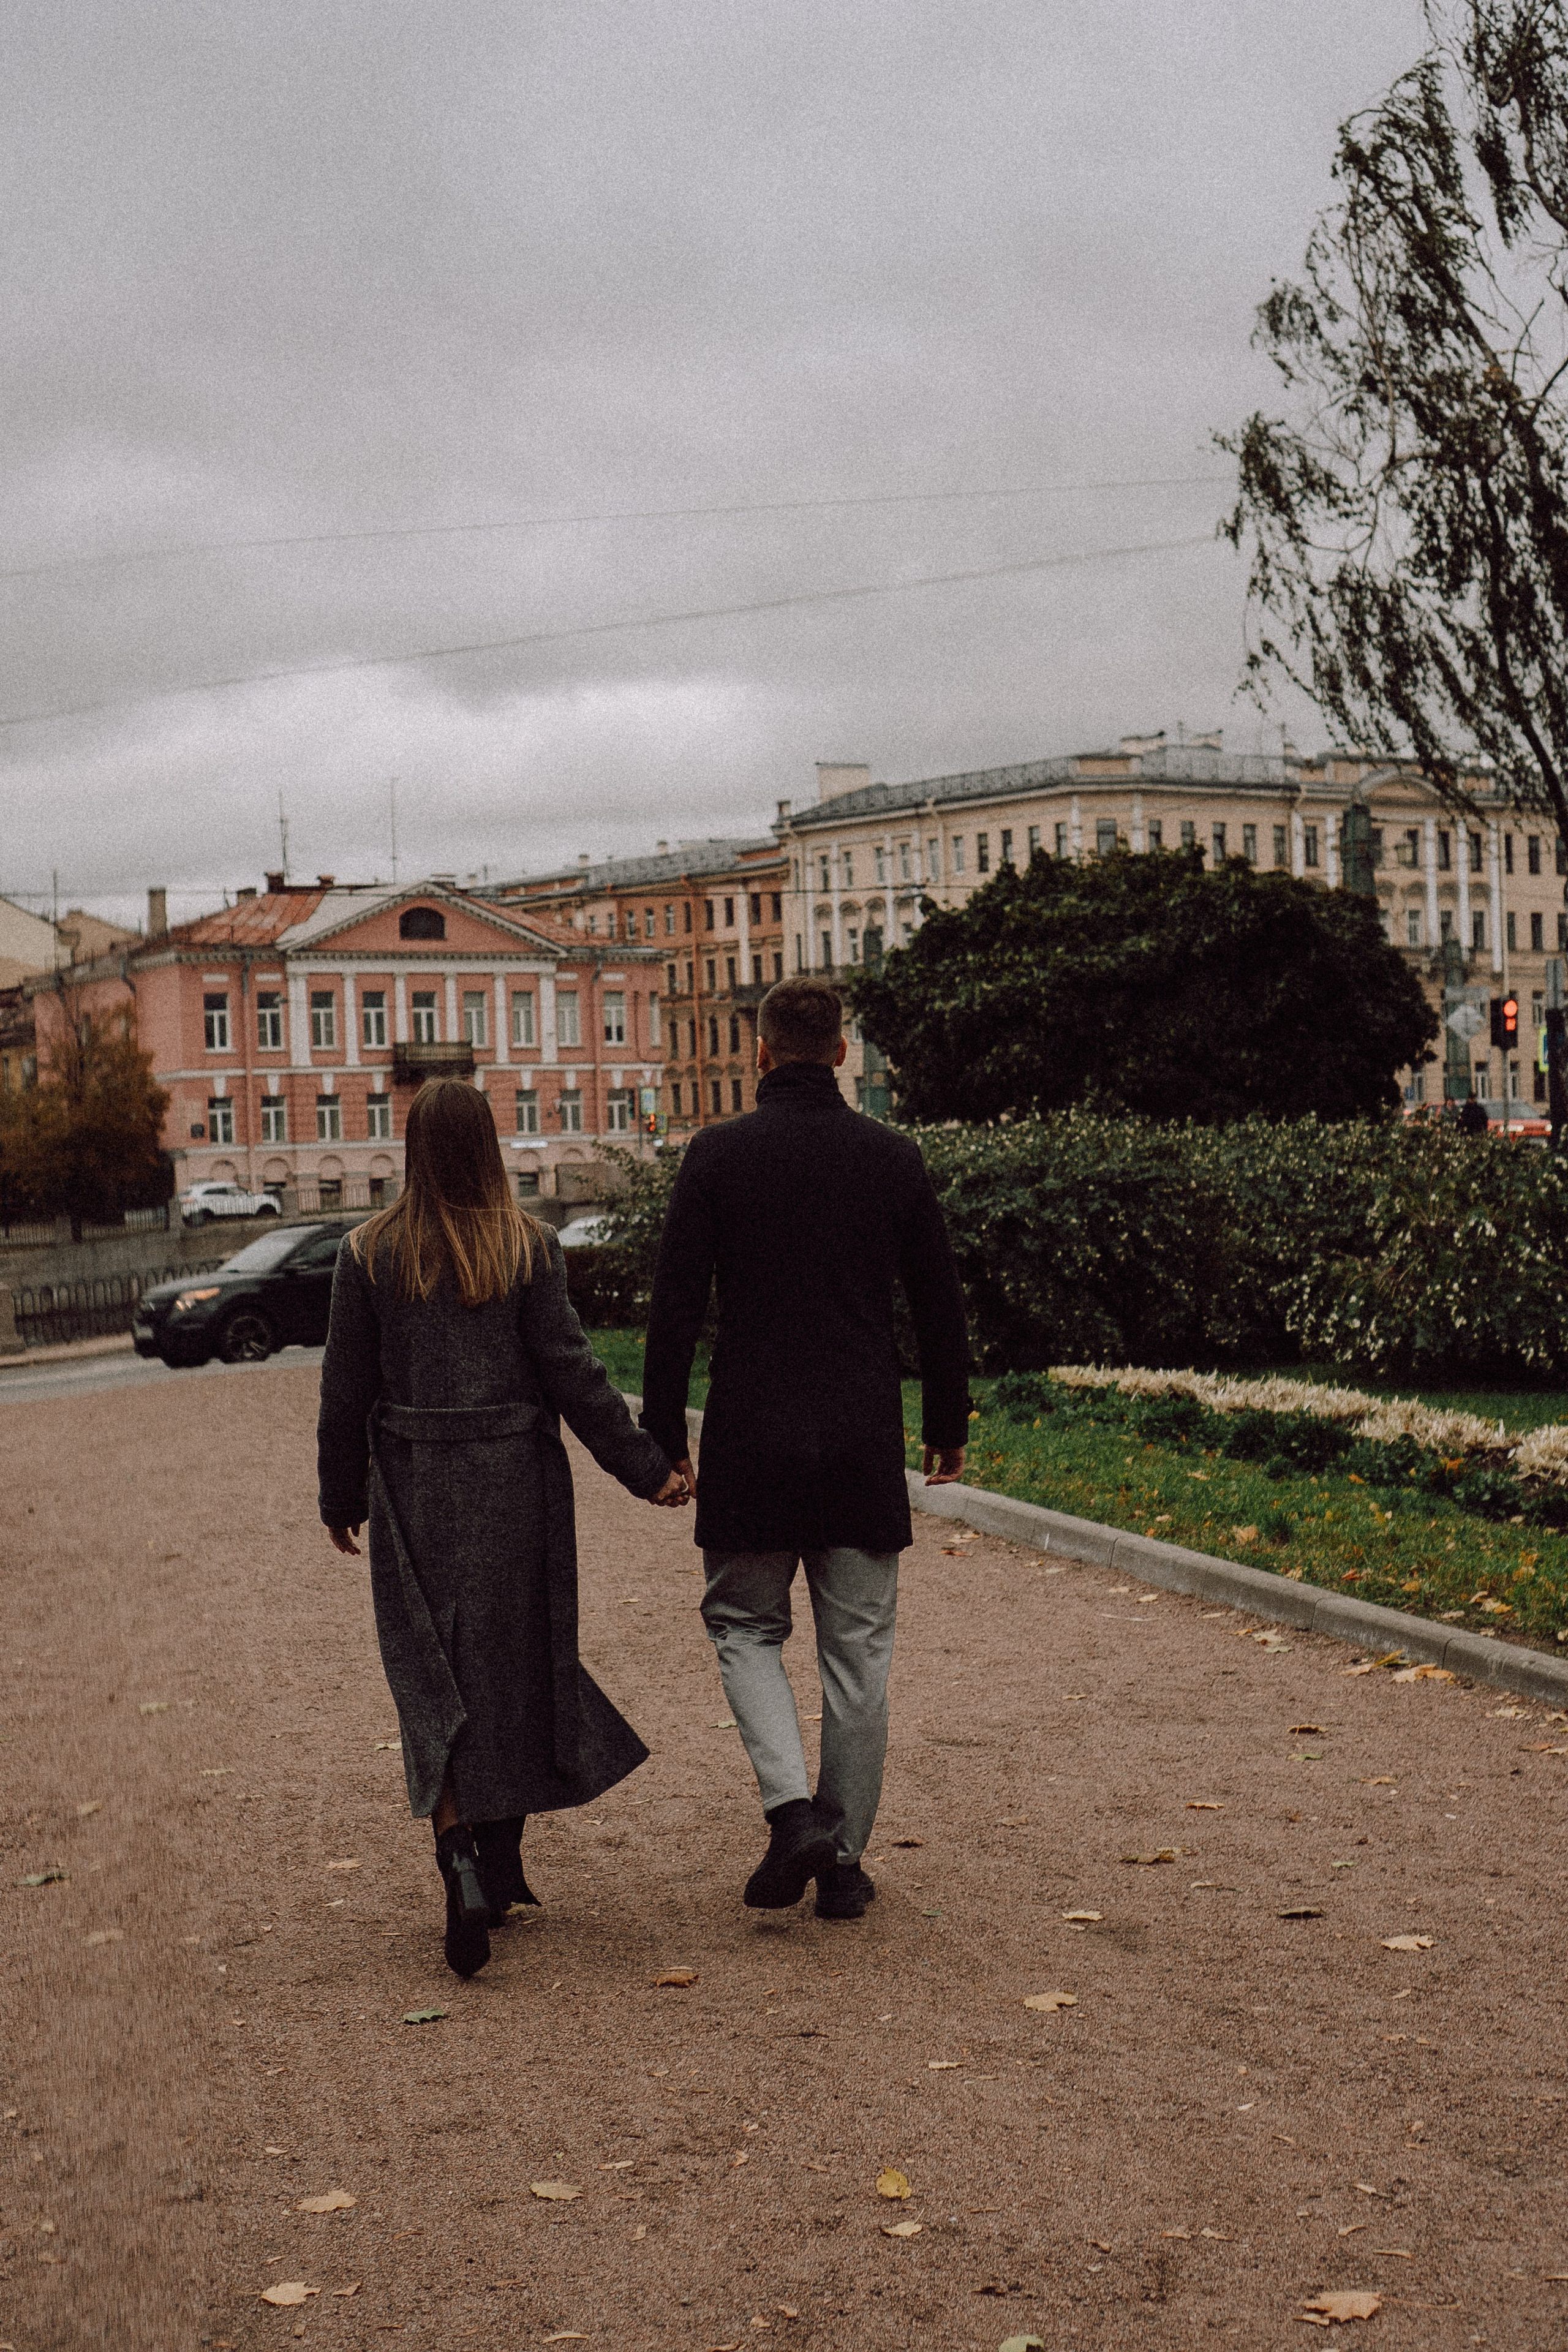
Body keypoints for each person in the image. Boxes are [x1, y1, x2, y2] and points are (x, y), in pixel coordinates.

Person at [317, 1078, 688, 1978]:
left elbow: (343, 1393)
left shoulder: (367, 1253)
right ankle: (500, 1857)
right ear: (489, 1145)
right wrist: (648, 1472)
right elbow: (574, 1375)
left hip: (414, 1485)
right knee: (519, 1660)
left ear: (410, 1148)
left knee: (431, 1670)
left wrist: (340, 1498)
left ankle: (461, 1857)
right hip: (516, 1483)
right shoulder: (529, 1247)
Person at [640, 975, 970, 1921]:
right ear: (841, 1053)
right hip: (861, 1438)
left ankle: (793, 1811)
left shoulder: (716, 1155)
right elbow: (940, 1311)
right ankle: (845, 1858)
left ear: (757, 1054)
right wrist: (947, 1426)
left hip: (751, 1435)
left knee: (744, 1626)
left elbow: (673, 1310)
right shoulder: (893, 1158)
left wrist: (664, 1438)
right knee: (858, 1656)